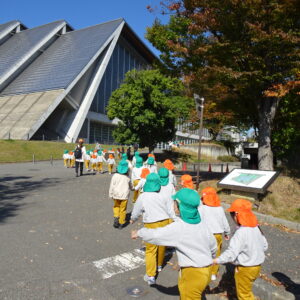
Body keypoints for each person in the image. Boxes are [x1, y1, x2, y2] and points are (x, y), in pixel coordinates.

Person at [131, 188, 217, 297]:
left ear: (180, 206)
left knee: (188, 295)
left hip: (192, 273)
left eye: (175, 203)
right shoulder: (202, 225)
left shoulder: (179, 228)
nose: (173, 205)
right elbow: (213, 246)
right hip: (207, 270)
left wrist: (139, 232)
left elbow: (156, 235)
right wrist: (212, 258)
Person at [213, 199, 268, 300]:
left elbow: (231, 253)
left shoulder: (241, 232)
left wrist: (217, 260)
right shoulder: (256, 227)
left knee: (243, 295)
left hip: (245, 268)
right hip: (256, 267)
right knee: (246, 290)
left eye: (232, 215)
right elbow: (265, 246)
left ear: (237, 215)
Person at [130, 173, 170, 285]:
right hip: (165, 222)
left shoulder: (143, 196)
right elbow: (170, 209)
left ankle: (151, 276)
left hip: (151, 223)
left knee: (151, 250)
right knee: (162, 245)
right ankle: (160, 265)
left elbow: (137, 210)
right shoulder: (163, 194)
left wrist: (133, 218)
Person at [199, 187, 230, 281]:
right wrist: (227, 232)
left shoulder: (202, 208)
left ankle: (203, 270)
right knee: (216, 254)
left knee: (204, 252)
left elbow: (198, 221)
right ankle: (213, 273)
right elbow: (225, 222)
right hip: (217, 234)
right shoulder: (220, 209)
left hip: (205, 234)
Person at [109, 160, 131, 229]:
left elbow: (112, 185)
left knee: (116, 206)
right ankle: (121, 222)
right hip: (124, 196)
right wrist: (133, 188)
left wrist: (110, 194)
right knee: (123, 209)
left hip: (116, 195)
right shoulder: (127, 178)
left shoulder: (115, 176)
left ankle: (116, 217)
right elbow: (131, 186)